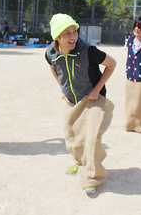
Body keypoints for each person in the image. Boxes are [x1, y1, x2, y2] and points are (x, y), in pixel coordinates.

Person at [45, 13, 116, 195]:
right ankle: (80, 163)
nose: (73, 36)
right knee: (72, 137)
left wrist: (96, 90)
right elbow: (54, 68)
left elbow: (112, 64)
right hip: (72, 100)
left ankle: (92, 177)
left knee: (90, 139)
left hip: (93, 98)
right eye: (67, 33)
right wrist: (62, 88)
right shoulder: (50, 53)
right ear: (57, 37)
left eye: (74, 31)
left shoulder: (89, 51)